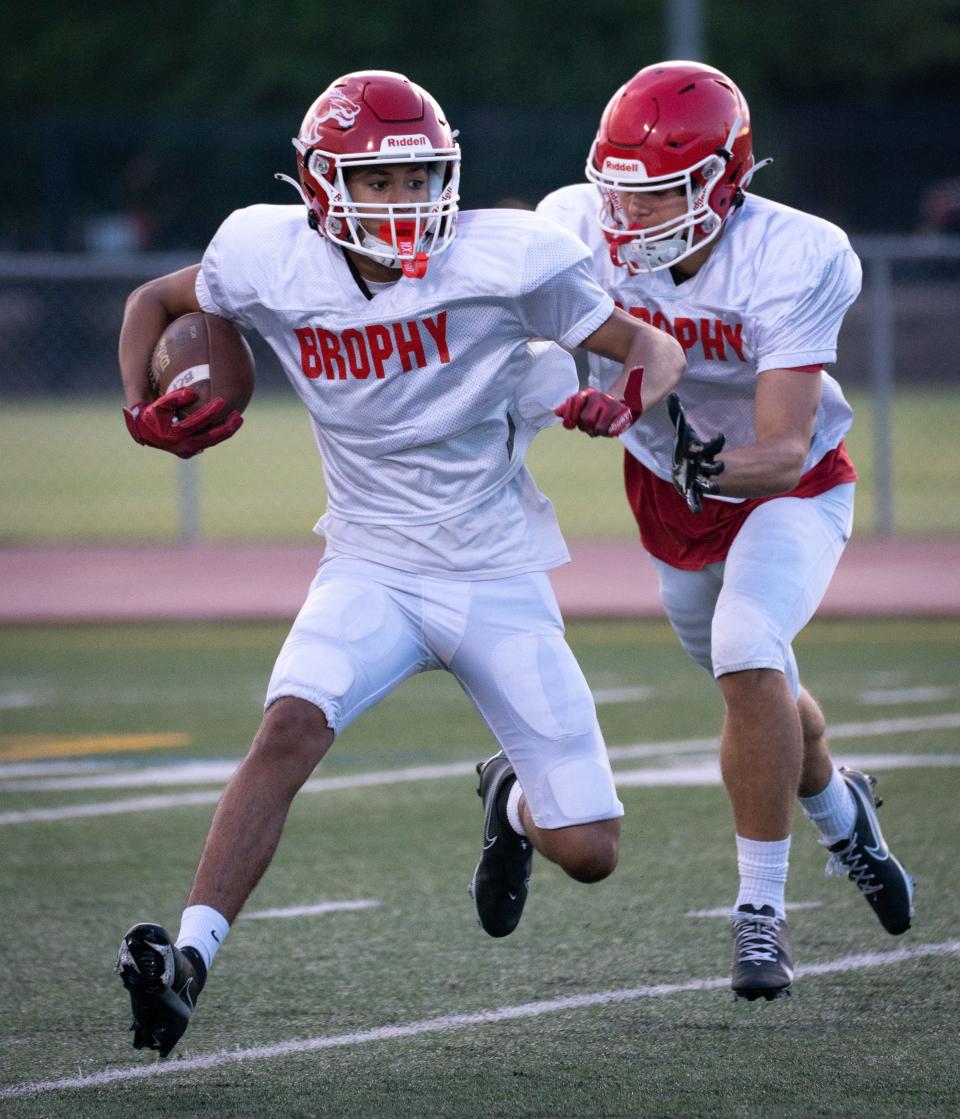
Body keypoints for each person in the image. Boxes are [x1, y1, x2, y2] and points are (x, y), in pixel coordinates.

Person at [114, 69, 686, 1057]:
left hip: (495, 566)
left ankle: (508, 797)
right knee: (287, 731)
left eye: (420, 178)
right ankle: (190, 965)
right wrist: (140, 410)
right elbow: (154, 302)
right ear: (319, 185)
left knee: (590, 850)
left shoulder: (504, 258)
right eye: (377, 183)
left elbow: (654, 347)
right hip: (369, 561)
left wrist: (630, 396)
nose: (404, 202)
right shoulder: (264, 252)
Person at [538, 60, 916, 1002]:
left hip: (785, 486)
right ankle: (844, 815)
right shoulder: (572, 224)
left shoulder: (795, 252)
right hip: (670, 492)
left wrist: (687, 454)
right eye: (621, 188)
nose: (629, 214)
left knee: (749, 653)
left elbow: (783, 449)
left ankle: (760, 914)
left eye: (659, 192)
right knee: (770, 693)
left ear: (724, 181)